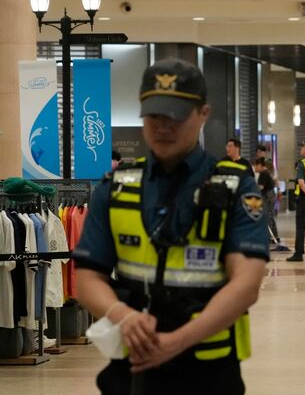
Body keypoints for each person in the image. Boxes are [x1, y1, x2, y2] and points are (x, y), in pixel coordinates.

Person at [72, 58, 269, 395]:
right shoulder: (116, 187)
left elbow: (247, 283)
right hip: (133, 366)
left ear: (203, 113)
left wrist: (176, 342)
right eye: (154, 115)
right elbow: (88, 277)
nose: (164, 125)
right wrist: (122, 314)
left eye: (176, 115)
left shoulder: (235, 186)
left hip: (209, 370)